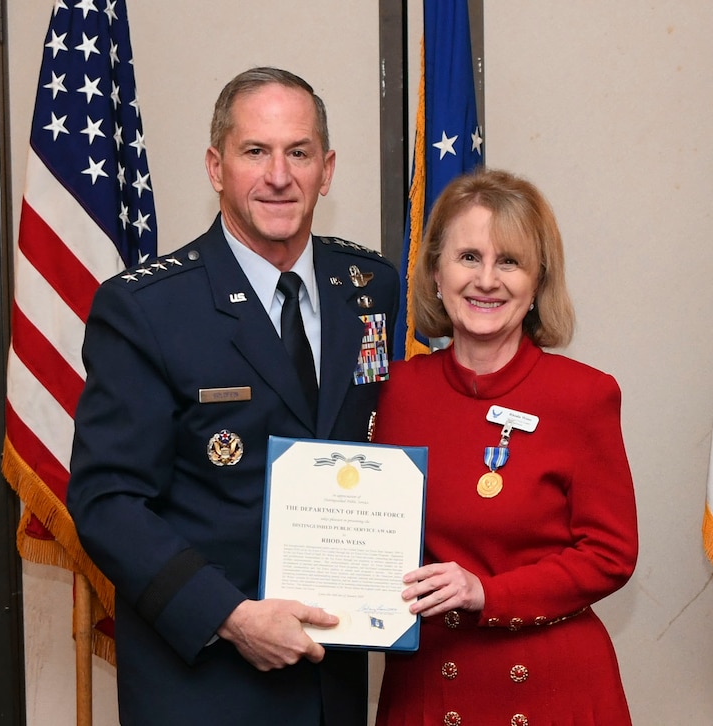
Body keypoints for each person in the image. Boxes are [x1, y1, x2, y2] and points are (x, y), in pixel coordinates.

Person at [67, 67, 399, 725]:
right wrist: (231, 616)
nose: (279, 175)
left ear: (326, 169)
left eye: (298, 152)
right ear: (216, 166)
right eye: (255, 151)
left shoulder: (369, 287)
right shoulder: (147, 308)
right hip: (203, 684)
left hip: (331, 686)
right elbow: (107, 500)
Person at [373, 168, 637, 725]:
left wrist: (485, 593)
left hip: (549, 690)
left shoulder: (584, 395)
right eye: (468, 257)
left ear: (538, 282)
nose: (486, 280)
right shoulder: (393, 392)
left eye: (509, 261)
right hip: (428, 686)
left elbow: (611, 554)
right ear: (436, 274)